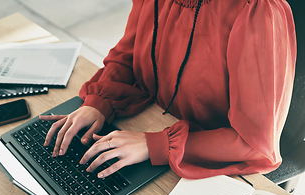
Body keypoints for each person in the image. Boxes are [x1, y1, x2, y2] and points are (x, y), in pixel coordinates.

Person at [40, 0, 296, 179]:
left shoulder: (259, 10)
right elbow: (128, 53)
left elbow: (255, 144)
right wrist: (97, 102)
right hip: (150, 122)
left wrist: (154, 145)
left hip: (203, 154)